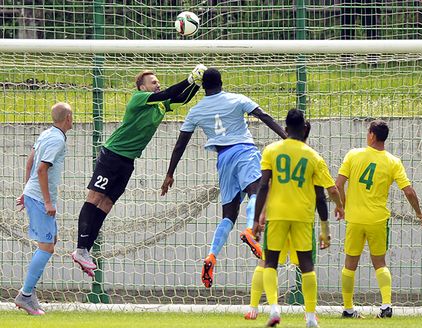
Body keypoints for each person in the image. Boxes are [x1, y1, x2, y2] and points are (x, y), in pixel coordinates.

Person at [71, 65, 206, 277]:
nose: (157, 84)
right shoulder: (138, 99)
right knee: (95, 197)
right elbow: (168, 93)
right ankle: (80, 248)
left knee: (106, 205)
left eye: (157, 81)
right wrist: (189, 78)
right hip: (112, 155)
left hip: (127, 162)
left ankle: (85, 250)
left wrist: (197, 84)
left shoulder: (159, 105)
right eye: (153, 82)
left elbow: (181, 99)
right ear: (142, 87)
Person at [160, 68, 287, 288]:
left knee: (228, 215)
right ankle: (249, 228)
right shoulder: (237, 99)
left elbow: (181, 143)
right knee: (256, 191)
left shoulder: (196, 110)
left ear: (202, 87)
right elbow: (263, 116)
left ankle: (211, 255)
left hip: (223, 160)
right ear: (221, 82)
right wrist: (287, 138)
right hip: (244, 152)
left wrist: (170, 173)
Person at [252, 108, 344, 328]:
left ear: (284, 129)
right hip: (303, 216)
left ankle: (274, 308)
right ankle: (311, 316)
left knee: (270, 263)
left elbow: (263, 185)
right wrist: (328, 223)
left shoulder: (271, 150)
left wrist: (256, 219)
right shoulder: (313, 156)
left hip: (277, 215)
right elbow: (323, 195)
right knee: (307, 265)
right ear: (304, 129)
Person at [335, 120, 422, 319]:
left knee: (350, 264)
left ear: (371, 135)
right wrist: (419, 213)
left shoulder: (353, 155)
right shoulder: (393, 161)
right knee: (380, 263)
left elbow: (338, 184)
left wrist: (342, 205)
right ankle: (386, 306)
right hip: (378, 220)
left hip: (354, 219)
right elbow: (409, 192)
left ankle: (348, 309)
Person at [15, 102, 73, 315]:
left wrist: (25, 190)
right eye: (72, 116)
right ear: (68, 118)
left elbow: (30, 162)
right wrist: (48, 202)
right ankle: (26, 295)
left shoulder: (46, 134)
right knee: (46, 246)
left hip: (34, 194)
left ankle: (29, 292)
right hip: (40, 199)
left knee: (51, 242)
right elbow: (40, 169)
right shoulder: (57, 140)